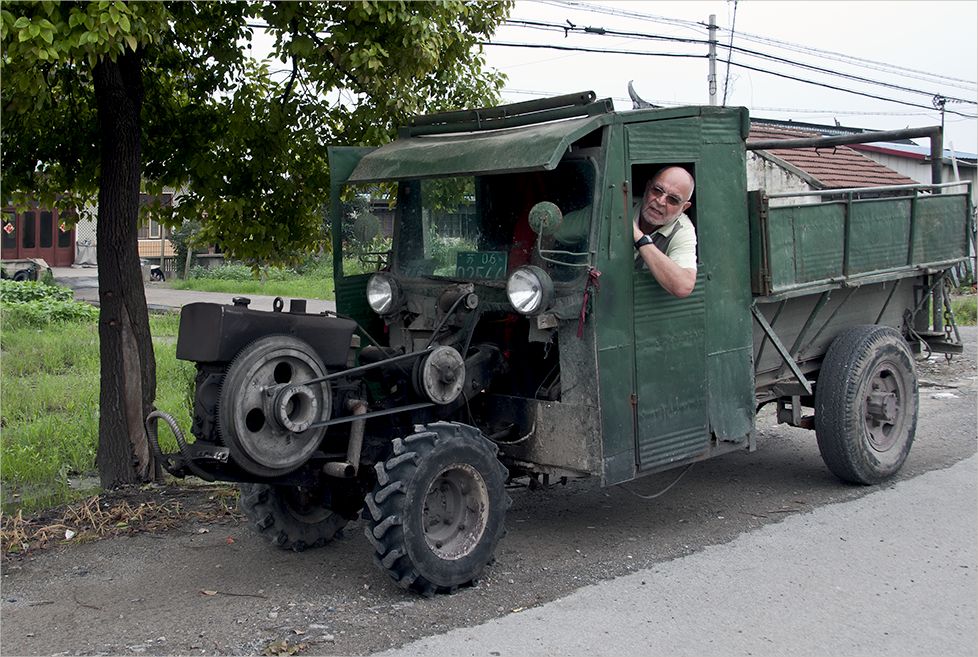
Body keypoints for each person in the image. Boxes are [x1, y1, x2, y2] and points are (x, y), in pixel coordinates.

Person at [633, 166, 697, 298]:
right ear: (647, 187)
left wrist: (639, 237)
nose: (661, 201)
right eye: (657, 190)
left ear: (684, 207)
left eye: (673, 199)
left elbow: (683, 286)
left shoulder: (682, 230)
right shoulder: (623, 205)